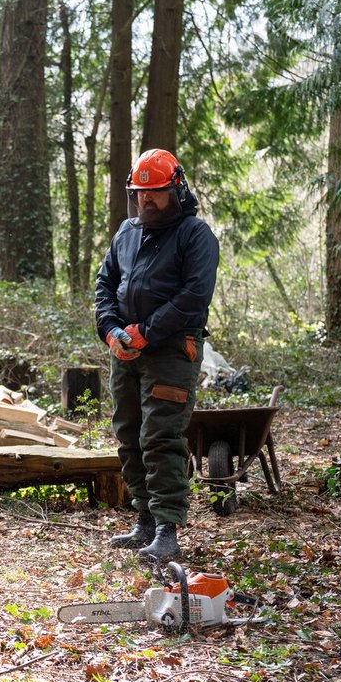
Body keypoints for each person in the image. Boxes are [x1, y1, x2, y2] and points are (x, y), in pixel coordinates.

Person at [95, 149, 219, 562]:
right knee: (129, 434)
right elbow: (105, 286)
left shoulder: (195, 235)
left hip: (171, 351)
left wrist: (147, 332)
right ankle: (144, 521)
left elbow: (194, 297)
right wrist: (111, 330)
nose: (146, 199)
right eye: (140, 193)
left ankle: (167, 529)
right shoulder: (126, 232)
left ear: (176, 190)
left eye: (156, 192)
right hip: (126, 351)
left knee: (160, 436)